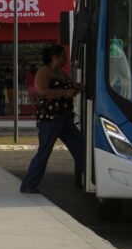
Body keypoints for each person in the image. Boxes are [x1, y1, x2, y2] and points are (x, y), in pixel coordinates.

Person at [20, 44, 85, 194]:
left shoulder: (61, 73)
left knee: (80, 147)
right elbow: (41, 91)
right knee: (44, 152)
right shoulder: (44, 72)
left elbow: (75, 85)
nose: (66, 59)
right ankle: (28, 185)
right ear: (55, 57)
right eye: (64, 56)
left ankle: (93, 179)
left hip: (65, 118)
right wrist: (64, 93)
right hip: (50, 119)